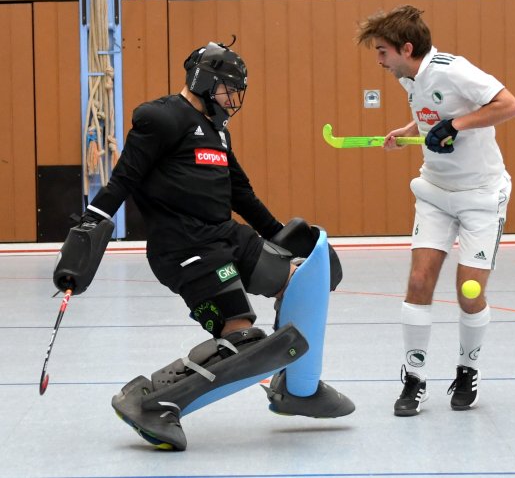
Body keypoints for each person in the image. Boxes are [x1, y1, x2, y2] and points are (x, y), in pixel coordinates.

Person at [53, 40, 354, 451]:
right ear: (205, 80)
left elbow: (240, 193)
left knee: (302, 279)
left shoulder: (217, 131)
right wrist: (83, 244)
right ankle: (153, 404)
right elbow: (123, 180)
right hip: (184, 247)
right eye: (229, 87)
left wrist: (282, 237)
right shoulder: (160, 118)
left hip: (225, 235)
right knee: (243, 337)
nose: (234, 98)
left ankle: (299, 388)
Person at [356, 5, 515, 416]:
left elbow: (509, 105)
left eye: (382, 52)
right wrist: (411, 129)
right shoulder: (410, 76)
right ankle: (414, 379)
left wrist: (456, 127)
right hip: (434, 190)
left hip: (482, 195)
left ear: (406, 48)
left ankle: (468, 369)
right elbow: (435, 111)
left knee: (470, 294)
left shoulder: (452, 69)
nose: (378, 61)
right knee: (418, 282)